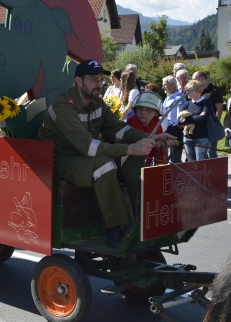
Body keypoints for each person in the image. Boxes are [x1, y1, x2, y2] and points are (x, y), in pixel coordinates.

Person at [38, 59, 177, 248]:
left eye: (101, 80)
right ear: (79, 81)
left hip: (86, 157)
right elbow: (88, 147)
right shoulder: (64, 107)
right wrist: (130, 148)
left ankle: (141, 217)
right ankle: (116, 228)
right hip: (63, 161)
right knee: (105, 165)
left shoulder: (96, 103)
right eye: (93, 80)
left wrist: (152, 138)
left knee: (134, 159)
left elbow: (118, 129)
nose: (99, 84)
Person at [126, 92, 165, 165]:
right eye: (140, 108)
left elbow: (159, 147)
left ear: (156, 113)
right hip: (131, 163)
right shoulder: (132, 121)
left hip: (147, 163)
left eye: (148, 109)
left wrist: (160, 167)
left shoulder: (156, 122)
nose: (143, 112)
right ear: (135, 109)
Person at [193, 70, 224, 159]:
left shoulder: (214, 90)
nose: (193, 82)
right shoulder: (197, 90)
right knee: (201, 151)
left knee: (211, 150)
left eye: (195, 79)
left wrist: (215, 123)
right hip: (199, 125)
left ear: (202, 79)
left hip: (211, 124)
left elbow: (219, 108)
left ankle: (215, 171)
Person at [180, 80, 212, 162]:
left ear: (198, 91)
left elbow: (204, 118)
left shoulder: (206, 102)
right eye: (186, 90)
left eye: (189, 91)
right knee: (190, 162)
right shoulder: (187, 104)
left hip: (201, 138)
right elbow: (180, 120)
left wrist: (189, 119)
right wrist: (196, 117)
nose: (187, 93)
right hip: (187, 138)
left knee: (200, 162)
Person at [161, 76, 185, 163]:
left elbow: (180, 116)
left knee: (175, 155)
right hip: (166, 128)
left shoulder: (180, 98)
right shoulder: (167, 98)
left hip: (175, 129)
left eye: (165, 85)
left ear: (173, 85)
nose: (163, 87)